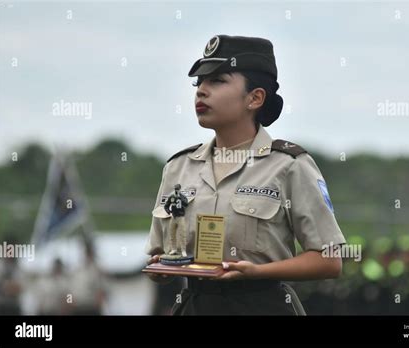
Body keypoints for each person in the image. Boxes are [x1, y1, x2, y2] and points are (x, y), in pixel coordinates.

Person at [145, 34, 346, 315]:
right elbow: (158, 255)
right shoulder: (179, 167)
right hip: (193, 306)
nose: (201, 91)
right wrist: (161, 269)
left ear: (255, 98)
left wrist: (258, 271)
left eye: (217, 81)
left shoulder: (289, 165)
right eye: (198, 83)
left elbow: (329, 260)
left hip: (263, 306)